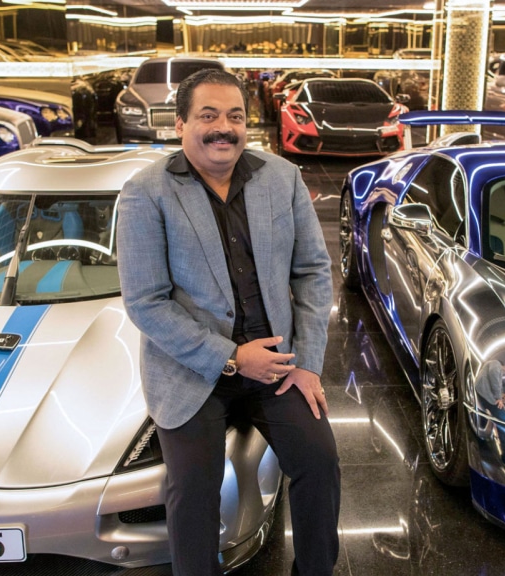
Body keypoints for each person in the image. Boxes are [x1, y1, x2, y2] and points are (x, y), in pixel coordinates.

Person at [116, 68, 340, 576]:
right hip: (191, 371)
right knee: (193, 490)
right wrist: (234, 357)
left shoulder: (281, 178)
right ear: (180, 124)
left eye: (235, 116)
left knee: (320, 462)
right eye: (209, 115)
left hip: (279, 365)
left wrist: (308, 364)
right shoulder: (146, 192)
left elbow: (312, 271)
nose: (224, 128)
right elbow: (146, 302)